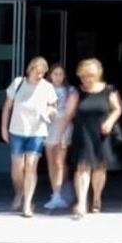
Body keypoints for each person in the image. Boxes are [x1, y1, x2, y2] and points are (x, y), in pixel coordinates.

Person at [0, 56, 59, 217]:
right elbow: (7, 107)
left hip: (37, 133)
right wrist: (4, 128)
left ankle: (27, 203)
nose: (40, 76)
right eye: (37, 72)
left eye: (43, 73)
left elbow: (54, 108)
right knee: (17, 169)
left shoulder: (47, 87)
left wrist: (48, 112)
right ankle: (20, 192)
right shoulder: (18, 83)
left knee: (31, 166)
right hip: (17, 131)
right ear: (30, 70)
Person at [66, 57, 122, 218]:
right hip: (82, 133)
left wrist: (110, 121)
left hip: (101, 133)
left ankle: (97, 198)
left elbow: (117, 108)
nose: (87, 79)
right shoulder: (77, 92)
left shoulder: (109, 90)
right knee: (82, 167)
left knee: (99, 168)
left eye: (90, 76)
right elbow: (68, 114)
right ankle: (81, 202)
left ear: (98, 74)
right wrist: (61, 134)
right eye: (83, 76)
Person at [43, 63, 76, 212]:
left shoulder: (70, 90)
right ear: (50, 75)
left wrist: (62, 133)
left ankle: (60, 192)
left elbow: (71, 113)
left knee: (59, 161)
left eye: (61, 74)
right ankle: (55, 193)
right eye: (55, 74)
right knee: (51, 161)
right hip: (49, 125)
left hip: (64, 124)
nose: (58, 77)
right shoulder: (44, 90)